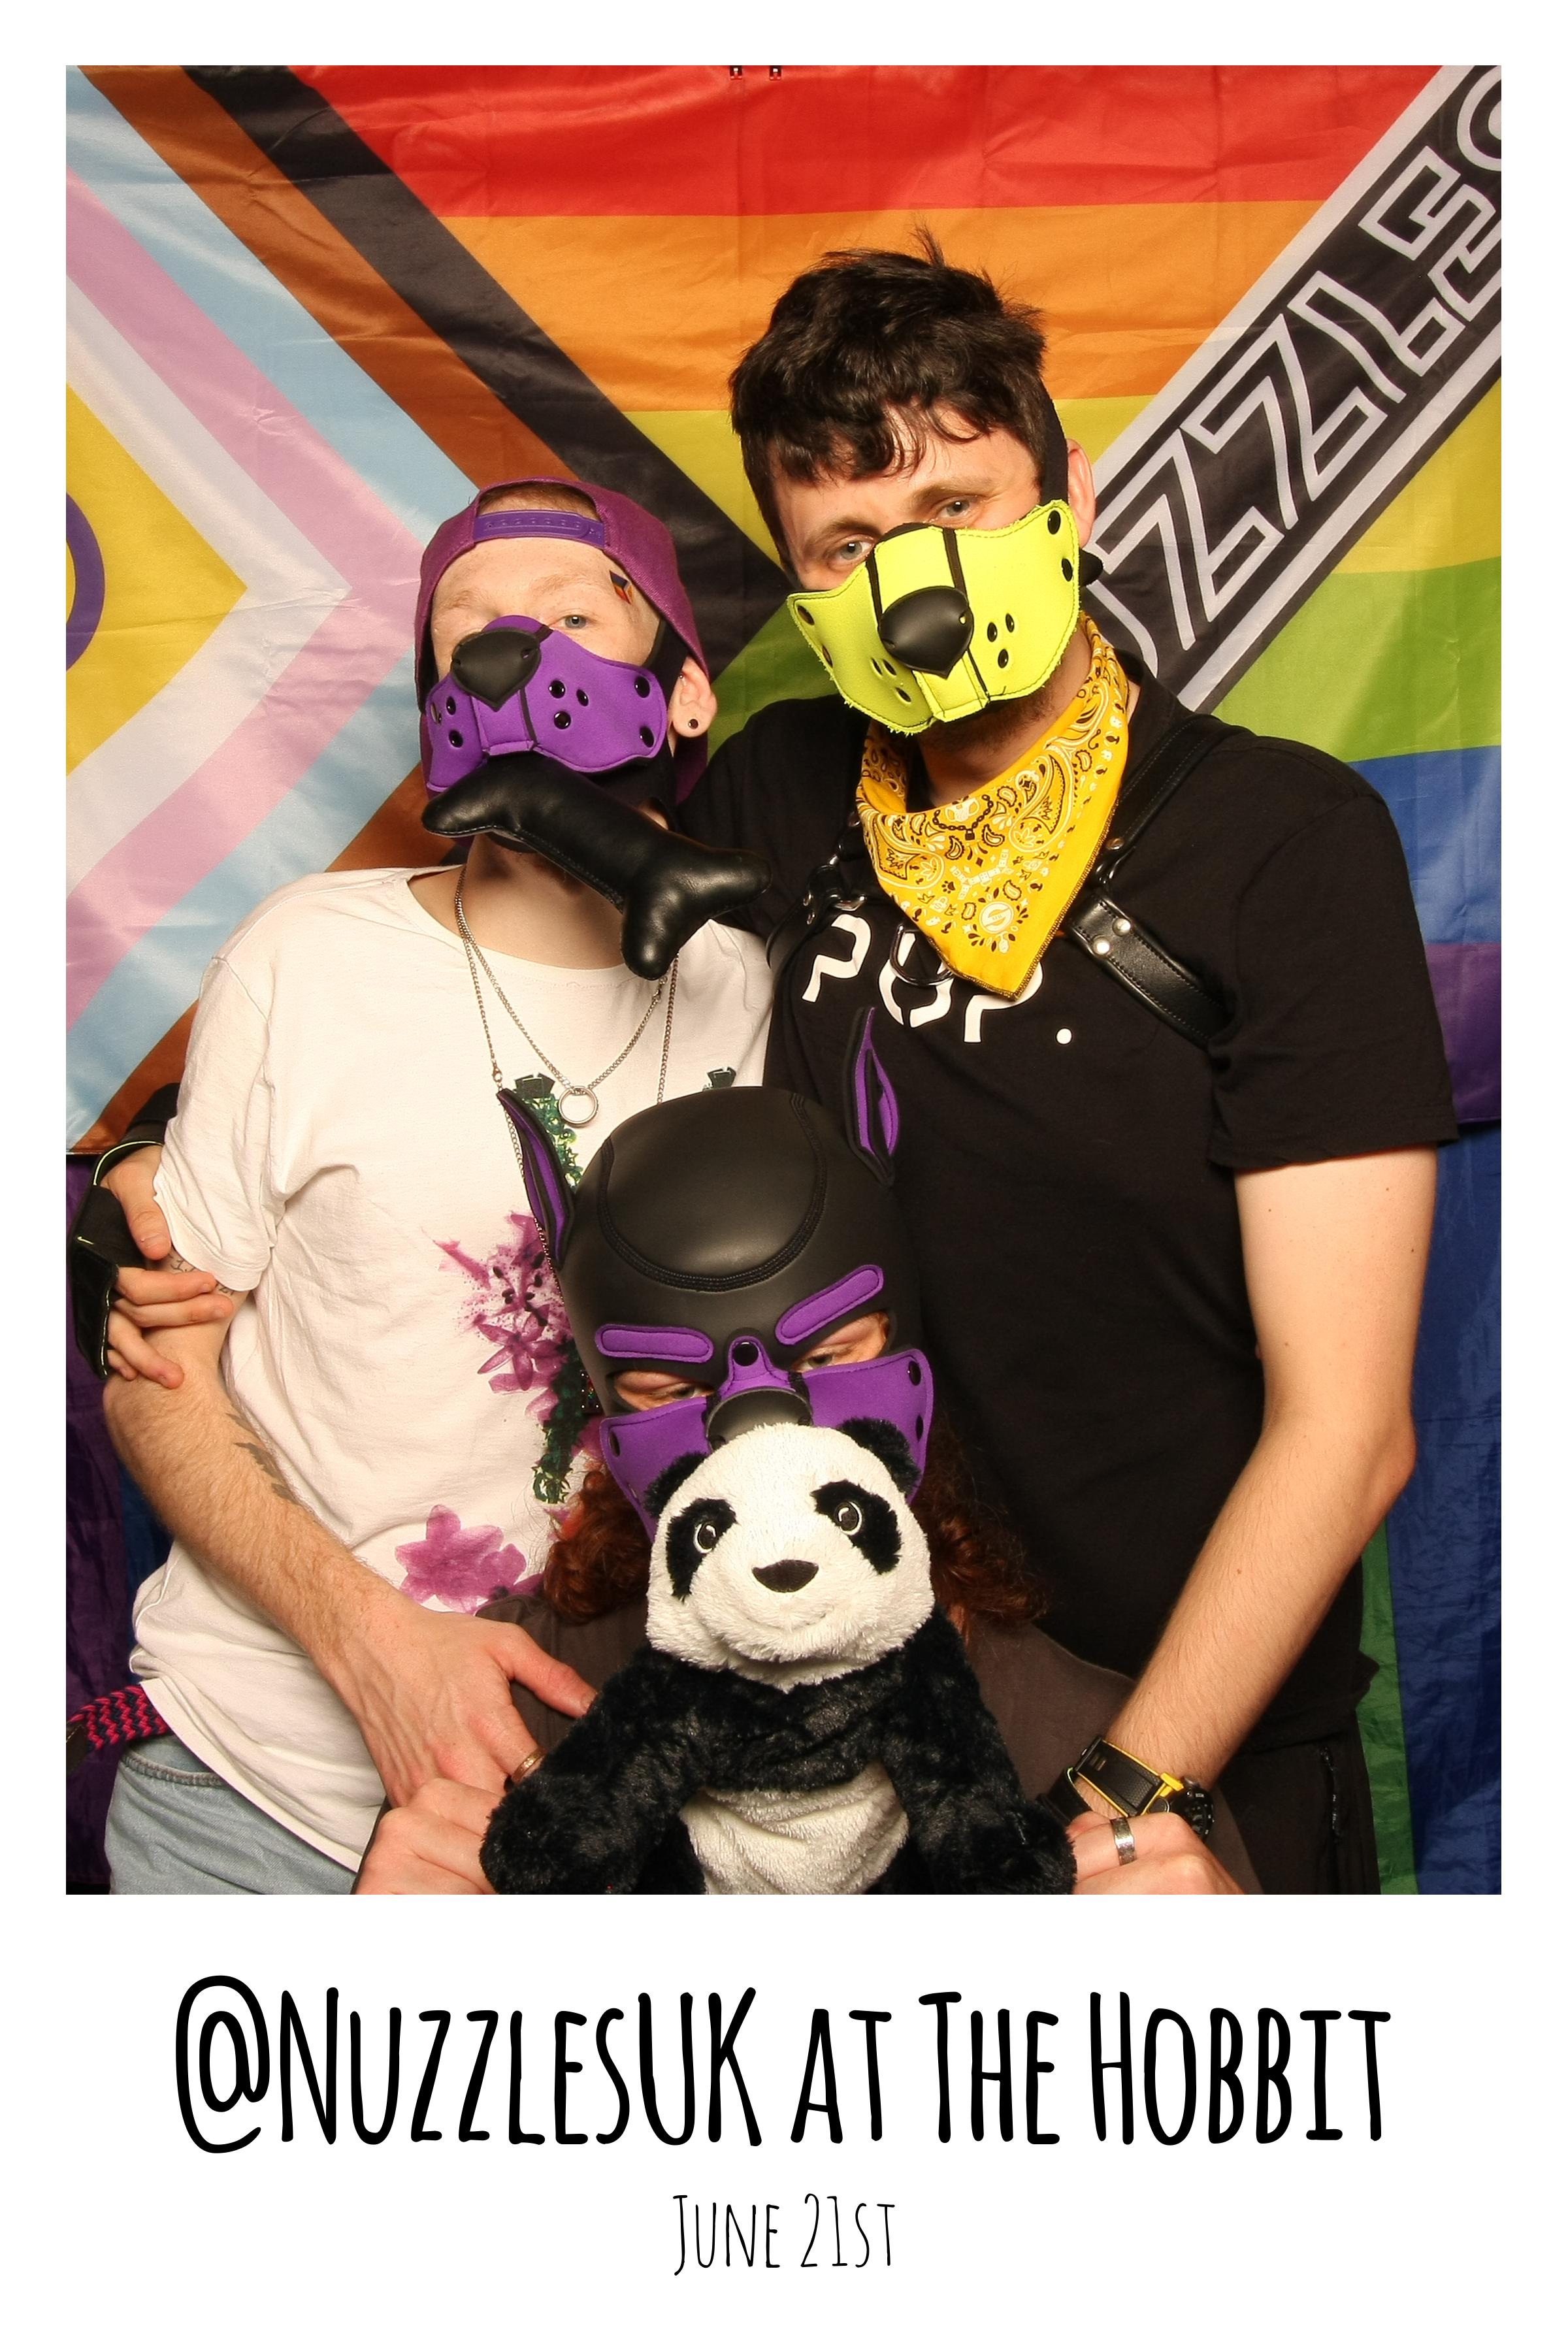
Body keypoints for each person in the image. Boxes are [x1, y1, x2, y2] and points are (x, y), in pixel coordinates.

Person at [676, 238, 1458, 1892]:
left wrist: (1118, 1800)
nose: (913, 580)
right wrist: (166, 1152)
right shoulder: (780, 790)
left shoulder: (1280, 841)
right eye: (848, 545)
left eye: (953, 507)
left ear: (1070, 496)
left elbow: (1348, 1428)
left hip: (1187, 1740)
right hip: (846, 1722)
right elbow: (508, 1005)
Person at [93, 476, 773, 1893]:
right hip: (260, 1793)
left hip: (619, 1814)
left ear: (686, 693)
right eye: (467, 631)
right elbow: (155, 1374)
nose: (512, 653)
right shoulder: (307, 959)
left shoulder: (754, 990)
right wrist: (371, 1650)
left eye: (572, 617)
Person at [356, 1074, 1247, 1895]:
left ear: (905, 1349)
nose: (763, 1437)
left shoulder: (1086, 1744)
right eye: (676, 1391)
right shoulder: (510, 1713)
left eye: (825, 1357)